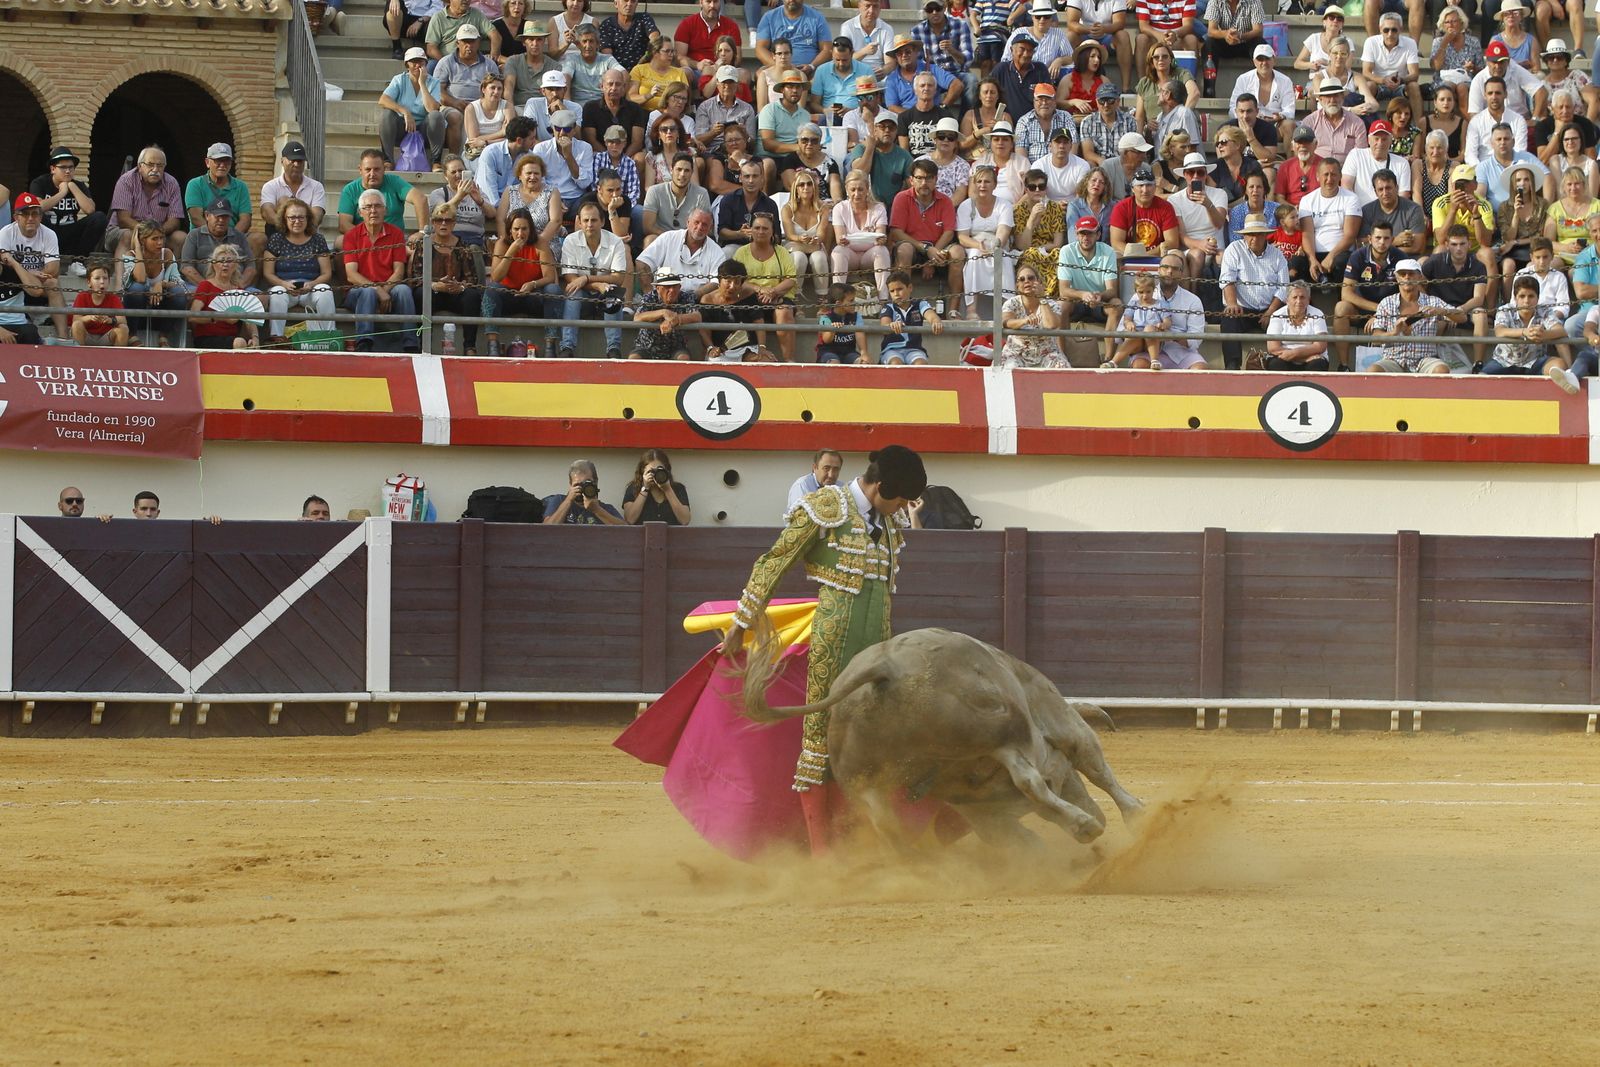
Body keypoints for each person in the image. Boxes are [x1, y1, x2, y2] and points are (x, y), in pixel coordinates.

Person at [720, 444, 928, 852]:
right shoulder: (823, 507)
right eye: (900, 498)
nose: (903, 508)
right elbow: (774, 562)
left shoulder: (889, 525)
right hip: (833, 645)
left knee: (880, 741)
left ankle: (872, 843)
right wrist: (740, 623)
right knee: (819, 740)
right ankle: (821, 854)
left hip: (879, 647)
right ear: (881, 485)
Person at [343, 188, 419, 353]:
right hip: (358, 292)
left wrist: (384, 291)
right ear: (360, 212)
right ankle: (364, 342)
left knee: (404, 290)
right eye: (368, 207)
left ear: (385, 210)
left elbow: (399, 271)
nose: (373, 211)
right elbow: (351, 275)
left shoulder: (396, 233)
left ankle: (411, 344)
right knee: (367, 292)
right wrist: (377, 290)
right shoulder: (351, 235)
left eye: (377, 206)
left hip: (389, 288)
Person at [1366, 258, 1468, 374]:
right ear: (1397, 278)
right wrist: (1393, 333)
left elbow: (1462, 318)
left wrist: (1441, 311)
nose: (1407, 277)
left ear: (1419, 277)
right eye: (1402, 274)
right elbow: (1375, 338)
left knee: (1441, 370)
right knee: (1373, 370)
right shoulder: (1386, 303)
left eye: (1411, 274)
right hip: (1393, 359)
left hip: (1424, 359)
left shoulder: (1432, 302)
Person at [558, 200, 631, 357]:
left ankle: (613, 349)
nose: (589, 224)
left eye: (594, 220)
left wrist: (585, 278)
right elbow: (570, 277)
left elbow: (618, 278)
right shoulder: (571, 240)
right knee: (573, 293)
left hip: (605, 295)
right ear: (579, 222)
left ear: (603, 221)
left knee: (613, 294)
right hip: (583, 296)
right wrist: (596, 285)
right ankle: (567, 347)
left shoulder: (615, 242)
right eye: (585, 220)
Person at [1485, 274, 1581, 391]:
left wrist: (1544, 335)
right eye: (1522, 296)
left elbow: (1560, 330)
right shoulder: (1505, 309)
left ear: (1537, 298)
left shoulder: (1545, 310)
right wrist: (1525, 332)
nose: (1526, 301)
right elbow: (1500, 331)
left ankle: (1568, 379)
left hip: (1536, 362)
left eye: (1531, 296)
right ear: (1515, 298)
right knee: (1480, 379)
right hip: (1504, 362)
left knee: (1559, 365)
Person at [889, 159, 965, 306]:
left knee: (958, 252)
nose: (924, 182)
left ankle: (954, 309)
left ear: (936, 180)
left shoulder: (945, 201)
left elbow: (949, 232)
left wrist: (932, 257)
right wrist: (925, 249)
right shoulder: (902, 198)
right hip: (912, 245)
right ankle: (902, 306)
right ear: (911, 180)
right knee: (904, 249)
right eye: (919, 178)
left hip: (939, 247)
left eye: (929, 178)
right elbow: (896, 232)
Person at [1218, 212, 1288, 370]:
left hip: (1271, 309)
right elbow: (1227, 278)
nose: (1254, 238)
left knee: (1284, 320)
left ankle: (1281, 362)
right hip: (1242, 309)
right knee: (1229, 316)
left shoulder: (1277, 255)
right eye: (1250, 235)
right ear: (1244, 235)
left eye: (1258, 234)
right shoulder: (1234, 249)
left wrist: (1271, 311)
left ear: (1265, 236)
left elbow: (1284, 287)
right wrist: (1232, 303)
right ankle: (1232, 366)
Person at [262, 197, 335, 344]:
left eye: (301, 217)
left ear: (308, 219)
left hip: (311, 289)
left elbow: (326, 273)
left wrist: (313, 284)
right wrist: (283, 284)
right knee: (277, 293)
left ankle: (329, 337)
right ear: (285, 219)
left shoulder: (317, 239)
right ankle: (277, 338)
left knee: (325, 290)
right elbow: (268, 273)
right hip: (285, 289)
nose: (297, 221)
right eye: (292, 217)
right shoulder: (276, 239)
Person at [414, 202, 483, 353]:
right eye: (439, 220)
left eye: (448, 220)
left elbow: (472, 279)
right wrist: (434, 285)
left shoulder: (462, 245)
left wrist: (460, 287)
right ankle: (423, 345)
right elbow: (415, 277)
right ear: (433, 223)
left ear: (454, 224)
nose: (443, 224)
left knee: (472, 296)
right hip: (433, 292)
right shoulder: (423, 244)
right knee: (420, 294)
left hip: (455, 293)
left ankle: (470, 347)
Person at [1333, 221, 1400, 371]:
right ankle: (1343, 366)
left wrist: (1383, 313)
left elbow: (1409, 293)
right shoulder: (1358, 256)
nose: (1382, 242)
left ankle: (1401, 363)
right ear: (1370, 239)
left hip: (1393, 312)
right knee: (1341, 307)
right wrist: (1378, 309)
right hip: (1363, 310)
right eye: (1378, 238)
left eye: (1386, 238)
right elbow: (1346, 294)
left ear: (1393, 239)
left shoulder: (1400, 257)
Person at [30, 146, 106, 272]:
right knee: (37, 215)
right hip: (48, 233)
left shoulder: (78, 185)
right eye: (63, 167)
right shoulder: (40, 183)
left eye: (71, 167)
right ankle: (42, 259)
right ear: (53, 169)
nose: (68, 171)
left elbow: (90, 210)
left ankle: (78, 261)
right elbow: (39, 207)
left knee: (99, 218)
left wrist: (72, 186)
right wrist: (62, 193)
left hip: (70, 234)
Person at [1054, 216, 1119, 362]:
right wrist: (1083, 294)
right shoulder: (1066, 251)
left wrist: (1099, 296)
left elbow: (1112, 290)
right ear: (1076, 234)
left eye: (1089, 233)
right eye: (1082, 233)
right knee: (1062, 304)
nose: (1085, 237)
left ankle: (1109, 359)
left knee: (1116, 305)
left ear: (1098, 234)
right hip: (1076, 302)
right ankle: (1061, 356)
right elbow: (1063, 290)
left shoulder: (1108, 251)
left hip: (1099, 301)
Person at [380, 47, 455, 171]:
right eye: (413, 62)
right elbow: (383, 100)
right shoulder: (399, 79)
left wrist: (422, 83)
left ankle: (436, 161)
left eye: (421, 62)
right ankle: (388, 160)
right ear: (407, 65)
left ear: (426, 64)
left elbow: (432, 108)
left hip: (425, 130)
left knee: (436, 116)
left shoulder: (433, 82)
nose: (417, 65)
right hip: (403, 128)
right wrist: (405, 112)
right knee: (386, 114)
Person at [957, 164, 1013, 317]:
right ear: (974, 184)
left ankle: (1008, 309)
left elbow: (1004, 231)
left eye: (987, 182)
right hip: (973, 244)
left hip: (997, 243)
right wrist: (978, 246)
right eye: (979, 181)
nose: (982, 185)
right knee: (975, 256)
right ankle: (971, 310)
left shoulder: (1004, 205)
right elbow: (962, 237)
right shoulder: (966, 205)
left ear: (994, 184)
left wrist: (995, 245)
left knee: (1003, 257)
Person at [1296, 156, 1361, 286]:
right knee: (1295, 264)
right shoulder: (1307, 200)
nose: (1329, 179)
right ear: (1318, 176)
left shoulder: (1351, 199)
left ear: (1340, 176)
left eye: (1333, 174)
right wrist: (1312, 259)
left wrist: (1331, 257)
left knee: (1342, 262)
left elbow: (1350, 236)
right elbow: (1307, 233)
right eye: (1326, 174)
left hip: (1340, 253)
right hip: (1315, 253)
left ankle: (1341, 300)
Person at [119, 221, 186, 347]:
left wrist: (161, 284)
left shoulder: (166, 254)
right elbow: (139, 279)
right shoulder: (130, 255)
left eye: (161, 238)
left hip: (160, 308)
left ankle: (164, 335)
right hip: (137, 310)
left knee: (178, 293)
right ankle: (132, 334)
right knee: (137, 289)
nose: (160, 243)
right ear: (143, 240)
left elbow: (179, 284)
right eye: (154, 239)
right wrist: (138, 249)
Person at [188, 245, 260, 350]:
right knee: (240, 342)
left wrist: (255, 337)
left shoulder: (239, 290)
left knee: (242, 342)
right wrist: (220, 317)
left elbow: (249, 318)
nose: (225, 265)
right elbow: (193, 316)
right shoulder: (206, 285)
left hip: (231, 338)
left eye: (229, 261)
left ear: (235, 265)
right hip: (207, 338)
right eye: (221, 261)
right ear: (213, 264)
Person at [998, 262, 1068, 368]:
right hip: (1016, 354)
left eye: (1031, 278)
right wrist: (1024, 321)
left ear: (1039, 282)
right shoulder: (1011, 303)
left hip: (1047, 354)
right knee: (1008, 367)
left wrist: (1042, 298)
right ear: (1017, 286)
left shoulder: (1052, 304)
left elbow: (1052, 325)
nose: (1026, 281)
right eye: (1022, 279)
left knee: (1061, 366)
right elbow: (1006, 322)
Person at [628, 270, 703, 360]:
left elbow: (697, 316)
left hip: (676, 346)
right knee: (634, 358)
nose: (671, 290)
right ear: (658, 288)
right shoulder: (649, 297)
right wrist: (663, 312)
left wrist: (675, 319)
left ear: (680, 287)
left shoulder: (685, 297)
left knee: (683, 358)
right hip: (646, 346)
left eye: (674, 286)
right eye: (667, 286)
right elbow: (637, 317)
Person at [1109, 164, 1178, 254]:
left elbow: (1173, 242)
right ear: (1133, 189)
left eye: (1149, 185)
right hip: (1128, 256)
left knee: (1176, 254)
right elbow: (1116, 242)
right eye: (1140, 185)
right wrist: (1134, 255)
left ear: (1155, 188)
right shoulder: (1121, 207)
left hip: (1157, 256)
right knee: (1115, 255)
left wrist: (1146, 255)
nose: (1145, 190)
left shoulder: (1166, 207)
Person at [878, 268, 943, 364]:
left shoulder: (920, 304)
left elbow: (931, 315)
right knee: (896, 363)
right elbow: (884, 325)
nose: (896, 294)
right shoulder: (888, 307)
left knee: (921, 364)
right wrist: (891, 325)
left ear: (910, 288)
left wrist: (936, 322)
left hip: (914, 349)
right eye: (892, 291)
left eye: (900, 289)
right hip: (892, 350)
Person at [1264, 280, 1330, 371]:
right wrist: (1302, 358)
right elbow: (1273, 348)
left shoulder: (1317, 314)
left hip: (1311, 360)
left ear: (1308, 299)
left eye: (1302, 297)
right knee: (1276, 364)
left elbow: (1320, 346)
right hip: (1291, 358)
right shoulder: (1277, 315)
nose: (1299, 301)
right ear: (1287, 300)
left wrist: (1294, 354)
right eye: (1295, 297)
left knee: (1318, 364)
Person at [543, 460, 626, 525]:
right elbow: (546, 530)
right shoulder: (559, 501)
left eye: (587, 483)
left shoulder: (606, 509)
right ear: (570, 485)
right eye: (577, 485)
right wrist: (568, 501)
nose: (582, 488)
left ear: (596, 482)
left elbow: (627, 532)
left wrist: (597, 510)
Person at [69, 260, 130, 347]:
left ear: (109, 281)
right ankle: (79, 358)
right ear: (89, 282)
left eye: (105, 278)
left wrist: (110, 320)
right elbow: (76, 320)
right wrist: (90, 317)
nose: (102, 282)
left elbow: (123, 320)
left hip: (106, 337)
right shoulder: (82, 296)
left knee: (123, 328)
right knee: (77, 325)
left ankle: (118, 359)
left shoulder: (114, 298)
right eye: (97, 278)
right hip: (87, 336)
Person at [622, 449, 692, 523]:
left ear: (667, 470)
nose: (655, 474)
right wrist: (645, 488)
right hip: (642, 534)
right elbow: (629, 520)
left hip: (672, 534)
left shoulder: (678, 489)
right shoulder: (634, 488)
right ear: (643, 472)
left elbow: (685, 520)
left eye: (659, 470)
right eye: (651, 471)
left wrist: (667, 489)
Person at [817, 283, 869, 364]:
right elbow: (826, 340)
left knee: (864, 363)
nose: (854, 303)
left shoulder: (856, 316)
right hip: (828, 353)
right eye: (851, 300)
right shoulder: (826, 318)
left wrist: (864, 353)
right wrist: (832, 329)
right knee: (834, 363)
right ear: (838, 303)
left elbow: (860, 334)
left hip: (849, 353)